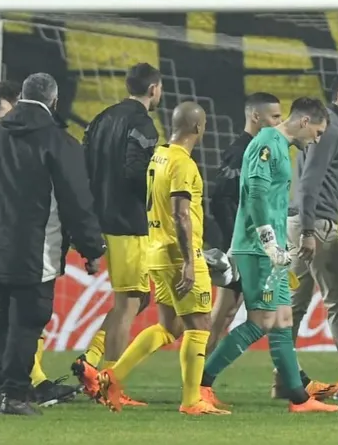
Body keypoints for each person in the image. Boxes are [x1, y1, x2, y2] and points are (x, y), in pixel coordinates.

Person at [0, 73, 105, 416]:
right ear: (54, 102)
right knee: (29, 320)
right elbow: (76, 202)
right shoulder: (61, 143)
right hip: (37, 248)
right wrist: (91, 247)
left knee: (0, 315)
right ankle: (14, 396)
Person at [202, 97, 338, 413]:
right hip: (257, 247)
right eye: (317, 133)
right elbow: (256, 194)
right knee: (261, 320)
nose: (316, 140)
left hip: (271, 247)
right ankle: (202, 384)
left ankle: (299, 398)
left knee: (281, 320)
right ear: (304, 122)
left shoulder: (280, 147)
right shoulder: (268, 143)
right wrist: (267, 241)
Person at [96, 102, 228, 415]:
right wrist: (187, 260)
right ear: (197, 127)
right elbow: (181, 213)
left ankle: (112, 376)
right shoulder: (183, 163)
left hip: (154, 249)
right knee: (199, 325)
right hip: (177, 253)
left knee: (170, 327)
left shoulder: (158, 155)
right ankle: (191, 400)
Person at [72, 63, 162, 407]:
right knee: (129, 301)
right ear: (154, 89)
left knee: (138, 299)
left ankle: (91, 361)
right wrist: (156, 197)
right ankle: (110, 383)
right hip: (130, 223)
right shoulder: (142, 123)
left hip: (101, 219)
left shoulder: (99, 119)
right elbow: (136, 173)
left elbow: (82, 167)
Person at [283, 72, 338, 399]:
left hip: (301, 221)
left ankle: (284, 375)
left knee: (294, 304)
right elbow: (308, 183)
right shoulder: (331, 130)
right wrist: (309, 230)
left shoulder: (332, 129)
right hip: (314, 226)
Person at [205, 92, 283, 354]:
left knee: (226, 315)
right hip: (240, 245)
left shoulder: (258, 149)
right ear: (255, 116)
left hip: (247, 244)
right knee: (222, 315)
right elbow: (218, 198)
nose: (278, 123)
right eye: (274, 117)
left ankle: (201, 374)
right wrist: (233, 242)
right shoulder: (242, 151)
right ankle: (197, 374)